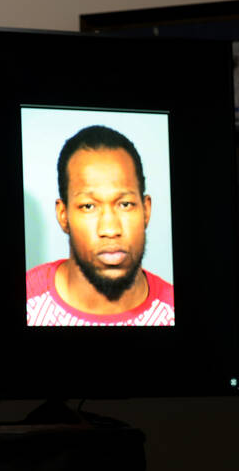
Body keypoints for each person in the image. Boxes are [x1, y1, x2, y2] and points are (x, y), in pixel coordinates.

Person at [25, 124, 173, 326]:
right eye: (88, 206)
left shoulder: (172, 310)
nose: (110, 229)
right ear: (63, 215)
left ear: (146, 211)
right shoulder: (28, 304)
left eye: (125, 204)